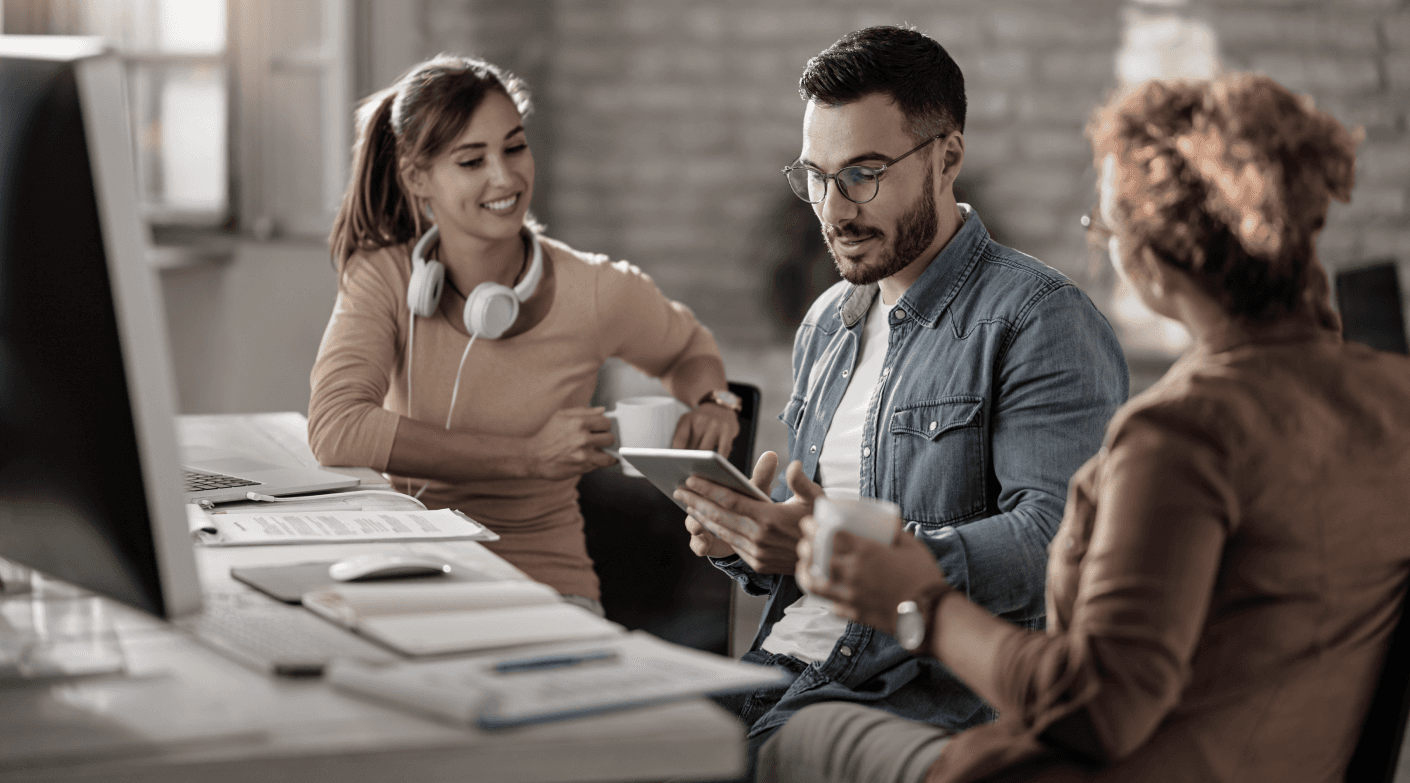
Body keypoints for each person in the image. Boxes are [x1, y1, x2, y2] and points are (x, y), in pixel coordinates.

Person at [767, 73, 1410, 783]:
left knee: (791, 739)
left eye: (1104, 227)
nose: (1102, 246)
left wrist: (921, 598)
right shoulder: (1392, 396)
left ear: (1152, 255)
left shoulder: (1180, 435)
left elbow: (1093, 706)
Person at [673, 26, 1129, 775]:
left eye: (864, 173)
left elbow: (1058, 539)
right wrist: (750, 543)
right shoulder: (826, 321)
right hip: (775, 671)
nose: (834, 209)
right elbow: (811, 545)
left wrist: (851, 552)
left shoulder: (1038, 318)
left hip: (903, 695)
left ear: (947, 156)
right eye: (816, 176)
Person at [308, 55, 740, 607]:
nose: (505, 177)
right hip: (410, 568)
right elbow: (337, 429)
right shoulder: (387, 276)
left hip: (546, 582)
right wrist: (525, 457)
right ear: (418, 177)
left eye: (514, 147)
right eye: (471, 160)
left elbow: (688, 349)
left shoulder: (598, 289)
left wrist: (713, 401)